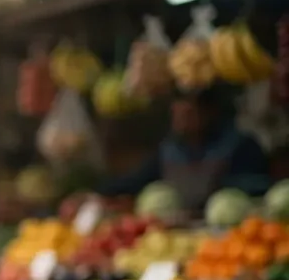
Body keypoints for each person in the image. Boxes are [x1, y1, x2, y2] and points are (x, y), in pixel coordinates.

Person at [97, 88, 271, 213]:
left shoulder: (239, 145)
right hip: (183, 234)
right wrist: (99, 193)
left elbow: (258, 188)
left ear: (209, 113)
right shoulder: (169, 150)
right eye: (177, 115)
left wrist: (218, 192)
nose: (180, 121)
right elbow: (137, 179)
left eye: (188, 114)